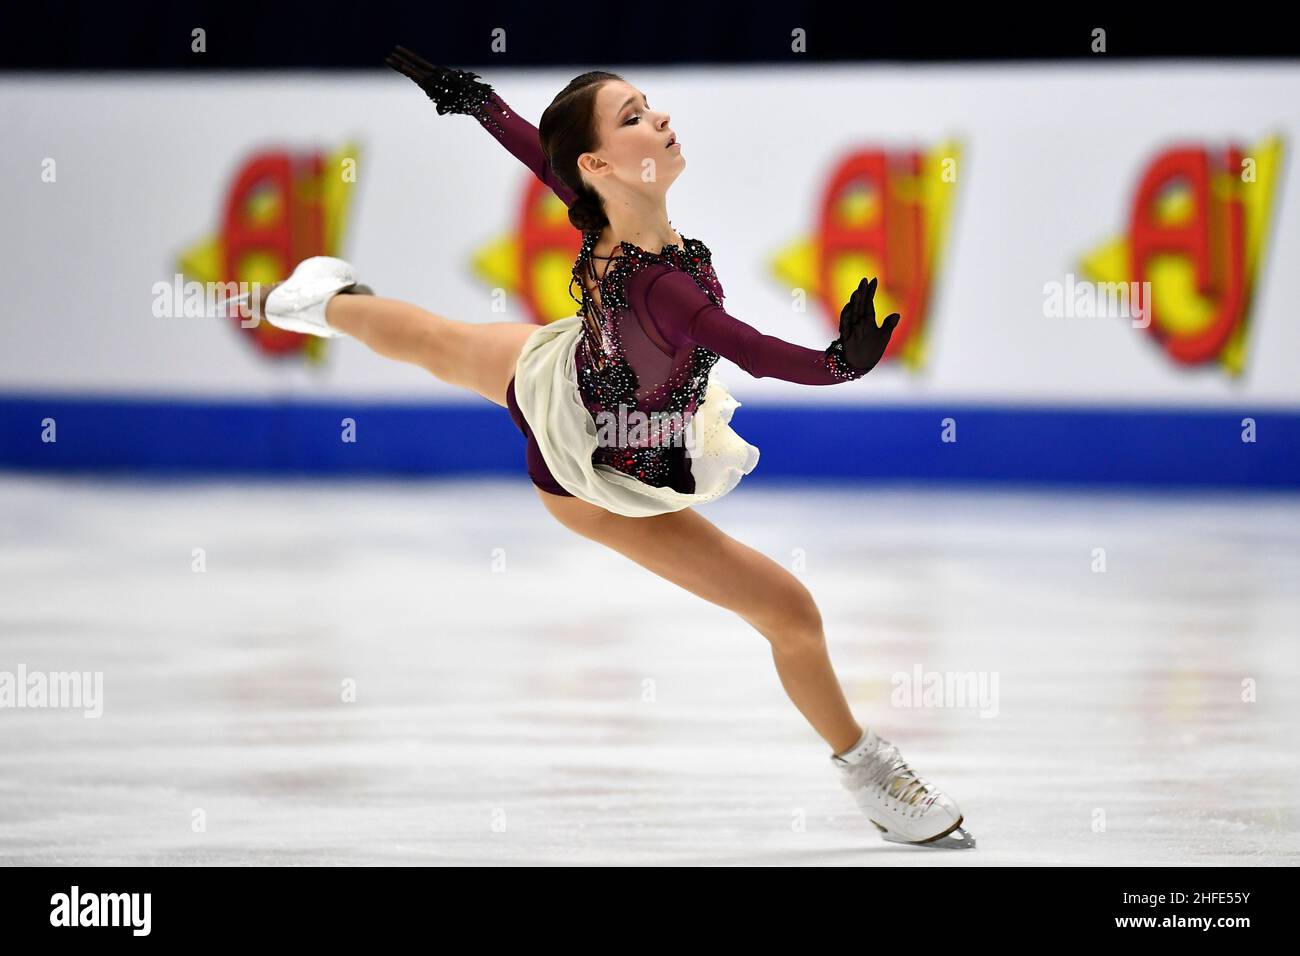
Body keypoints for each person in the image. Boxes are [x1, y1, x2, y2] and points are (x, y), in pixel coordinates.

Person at [237, 48, 974, 849]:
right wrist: (840, 365)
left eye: (648, 105)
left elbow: (537, 153)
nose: (657, 118)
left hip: (565, 382)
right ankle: (872, 777)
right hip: (594, 472)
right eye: (633, 117)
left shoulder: (601, 216)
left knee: (437, 341)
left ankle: (327, 303)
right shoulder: (662, 283)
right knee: (791, 612)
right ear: (601, 164)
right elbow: (754, 351)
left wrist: (477, 100)